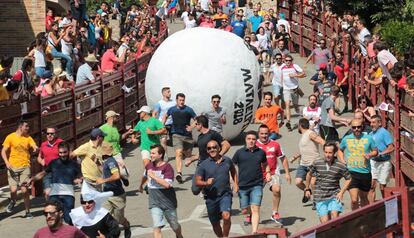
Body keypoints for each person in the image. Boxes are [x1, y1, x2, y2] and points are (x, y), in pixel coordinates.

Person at [31, 142, 82, 224]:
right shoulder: (54, 163)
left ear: (68, 151)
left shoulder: (74, 164)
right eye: (60, 153)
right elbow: (43, 173)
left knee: (69, 220)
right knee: (52, 217)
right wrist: (32, 180)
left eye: (64, 152)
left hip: (68, 195)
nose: (62, 155)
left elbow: (81, 177)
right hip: (54, 194)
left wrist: (79, 180)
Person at [195, 140, 238, 237]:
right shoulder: (203, 165)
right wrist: (206, 182)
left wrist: (236, 184)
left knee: (226, 216)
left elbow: (233, 170)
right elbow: (197, 181)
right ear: (207, 151)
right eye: (209, 148)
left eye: (214, 147)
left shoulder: (227, 160)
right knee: (215, 223)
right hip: (211, 198)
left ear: (219, 148)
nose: (212, 149)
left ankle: (225, 236)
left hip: (225, 194)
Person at [141, 145, 184, 238]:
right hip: (154, 201)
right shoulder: (149, 165)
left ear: (160, 155)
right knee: (157, 227)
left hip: (168, 201)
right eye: (150, 153)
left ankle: (179, 235)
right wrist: (141, 185)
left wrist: (154, 177)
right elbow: (145, 175)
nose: (150, 155)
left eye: (153, 153)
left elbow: (167, 184)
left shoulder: (167, 167)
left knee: (174, 225)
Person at [232, 131, 269, 234]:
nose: (251, 141)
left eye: (253, 139)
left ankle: (254, 232)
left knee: (255, 208)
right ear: (245, 140)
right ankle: (250, 213)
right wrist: (234, 183)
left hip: (257, 185)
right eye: (249, 139)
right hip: (243, 186)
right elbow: (232, 166)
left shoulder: (261, 152)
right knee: (244, 210)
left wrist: (268, 172)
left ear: (256, 140)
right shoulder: (239, 152)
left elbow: (265, 164)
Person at [2, 120, 38, 218]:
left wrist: (35, 147)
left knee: (24, 190)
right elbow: (3, 151)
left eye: (28, 126)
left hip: (25, 167)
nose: (28, 128)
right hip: (12, 167)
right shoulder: (10, 137)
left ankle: (27, 212)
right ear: (20, 127)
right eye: (26, 126)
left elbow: (33, 144)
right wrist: (6, 162)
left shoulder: (28, 137)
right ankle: (13, 201)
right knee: (13, 191)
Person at [340, 119, 378, 210]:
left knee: (364, 198)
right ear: (351, 128)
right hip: (352, 172)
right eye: (354, 127)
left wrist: (370, 154)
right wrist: (342, 160)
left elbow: (375, 151)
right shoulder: (346, 139)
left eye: (358, 127)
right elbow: (340, 149)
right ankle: (354, 218)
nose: (356, 129)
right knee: (354, 199)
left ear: (362, 127)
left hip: (365, 172)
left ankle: (363, 217)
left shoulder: (368, 138)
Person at [256, 125, 290, 224]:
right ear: (258, 134)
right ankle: (251, 214)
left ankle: (275, 213)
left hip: (273, 172)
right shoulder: (254, 144)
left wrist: (287, 173)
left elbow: (283, 158)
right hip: (257, 173)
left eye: (266, 133)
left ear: (269, 134)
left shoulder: (275, 144)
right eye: (262, 133)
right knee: (255, 195)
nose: (264, 135)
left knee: (277, 189)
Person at [309, 142, 351, 223]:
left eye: (330, 153)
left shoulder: (340, 165)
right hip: (320, 196)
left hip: (334, 194)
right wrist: (307, 188)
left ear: (334, 153)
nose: (327, 155)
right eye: (326, 152)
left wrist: (342, 192)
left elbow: (349, 178)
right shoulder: (317, 163)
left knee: (334, 217)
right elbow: (309, 174)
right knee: (325, 223)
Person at [96, 142, 131, 238]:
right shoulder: (106, 161)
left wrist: (103, 180)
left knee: (119, 219)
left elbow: (116, 176)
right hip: (107, 195)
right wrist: (98, 164)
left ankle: (127, 225)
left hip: (117, 196)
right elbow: (105, 170)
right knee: (104, 217)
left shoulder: (111, 161)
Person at [163, 93, 196, 183]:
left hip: (187, 136)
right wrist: (162, 125)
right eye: (180, 100)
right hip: (176, 134)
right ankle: (179, 173)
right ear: (176, 100)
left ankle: (191, 156)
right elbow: (165, 116)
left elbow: (197, 119)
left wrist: (191, 127)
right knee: (178, 153)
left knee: (188, 154)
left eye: (183, 100)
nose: (181, 102)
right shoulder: (172, 109)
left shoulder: (188, 110)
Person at [291, 118, 326, 204]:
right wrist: (295, 156)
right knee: (298, 182)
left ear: (300, 126)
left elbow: (322, 142)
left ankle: (316, 201)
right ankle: (307, 191)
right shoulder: (304, 135)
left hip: (314, 163)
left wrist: (328, 154)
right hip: (303, 164)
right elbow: (305, 149)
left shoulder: (310, 133)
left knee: (313, 183)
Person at [100, 110, 133, 181]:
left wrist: (127, 133)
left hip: (117, 153)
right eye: (116, 117)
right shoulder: (102, 128)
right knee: (111, 173)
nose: (118, 118)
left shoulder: (115, 128)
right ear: (111, 117)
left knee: (124, 173)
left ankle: (122, 177)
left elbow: (119, 138)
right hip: (107, 155)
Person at [368, 115, 394, 203]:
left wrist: (381, 154)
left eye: (374, 122)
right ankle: (371, 209)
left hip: (384, 162)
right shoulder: (370, 134)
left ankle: (385, 204)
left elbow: (391, 147)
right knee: (371, 185)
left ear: (379, 123)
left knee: (382, 186)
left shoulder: (384, 133)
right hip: (373, 161)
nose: (371, 124)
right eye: (371, 122)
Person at [280, 55, 306, 131]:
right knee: (287, 105)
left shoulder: (295, 66)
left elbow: (304, 74)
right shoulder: (282, 67)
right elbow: (282, 77)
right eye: (286, 60)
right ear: (284, 61)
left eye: (289, 60)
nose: (288, 62)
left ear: (292, 61)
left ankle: (302, 114)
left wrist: (295, 75)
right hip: (286, 89)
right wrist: (282, 85)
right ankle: (288, 122)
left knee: (295, 106)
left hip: (294, 89)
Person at [37, 127, 64, 198]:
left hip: (59, 172)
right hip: (47, 172)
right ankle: (49, 208)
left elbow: (69, 154)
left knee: (59, 194)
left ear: (55, 134)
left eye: (52, 134)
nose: (49, 135)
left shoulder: (61, 143)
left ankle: (59, 208)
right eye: (48, 133)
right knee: (47, 193)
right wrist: (41, 161)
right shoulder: (43, 144)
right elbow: (39, 157)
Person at [152, 87, 176, 158]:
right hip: (162, 124)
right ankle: (165, 156)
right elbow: (154, 113)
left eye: (170, 92)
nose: (170, 93)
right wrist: (153, 123)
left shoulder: (174, 102)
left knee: (175, 140)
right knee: (163, 141)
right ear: (163, 93)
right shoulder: (159, 103)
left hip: (173, 124)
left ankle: (182, 153)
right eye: (168, 92)